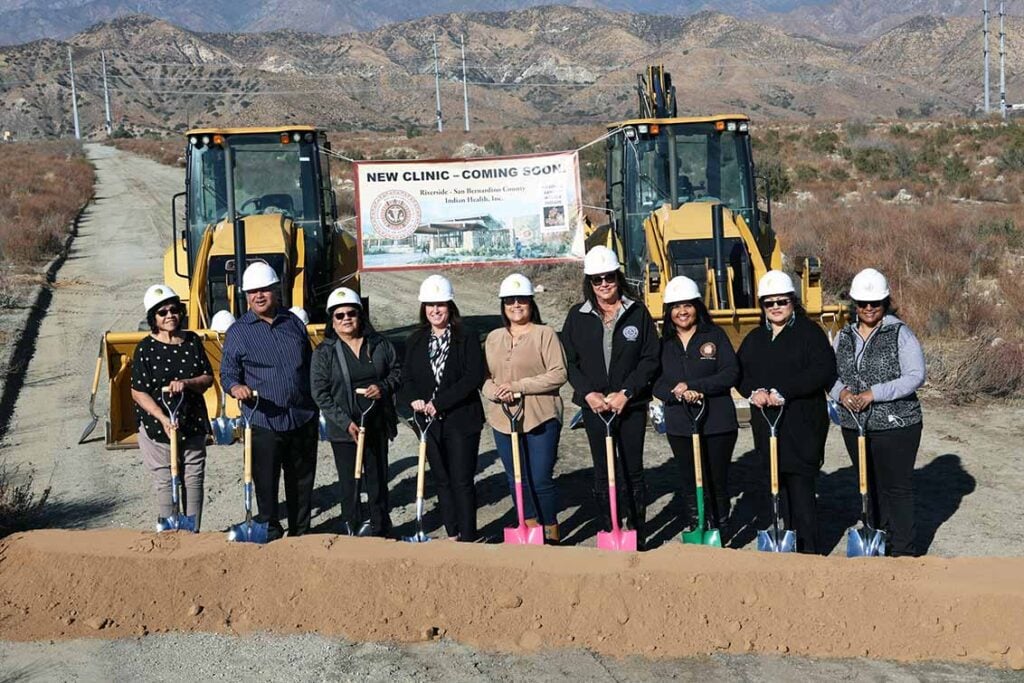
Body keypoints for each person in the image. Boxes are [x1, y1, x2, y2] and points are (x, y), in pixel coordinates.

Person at [561, 246, 660, 548]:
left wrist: (627, 393)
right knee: (604, 471)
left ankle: (637, 532)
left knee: (633, 469)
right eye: (596, 279)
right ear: (588, 282)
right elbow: (569, 361)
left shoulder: (638, 312)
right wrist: (587, 393)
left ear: (618, 277)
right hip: (595, 407)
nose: (603, 284)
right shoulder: (577, 317)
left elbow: (650, 359)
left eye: (608, 278)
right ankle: (609, 527)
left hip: (630, 406)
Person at [736, 270, 837, 554]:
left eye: (782, 301)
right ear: (762, 306)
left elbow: (823, 371)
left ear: (793, 301)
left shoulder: (809, 333)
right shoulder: (755, 339)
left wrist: (784, 391)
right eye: (769, 303)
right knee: (774, 487)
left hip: (802, 425)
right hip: (767, 427)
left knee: (801, 489)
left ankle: (809, 550)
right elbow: (739, 373)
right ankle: (785, 546)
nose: (776, 307)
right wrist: (752, 392)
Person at [830, 268, 925, 557]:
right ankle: (877, 540)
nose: (868, 309)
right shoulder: (843, 336)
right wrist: (842, 394)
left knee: (895, 488)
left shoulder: (900, 333)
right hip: (854, 423)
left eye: (875, 303)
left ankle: (903, 550)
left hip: (897, 424)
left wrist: (874, 393)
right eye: (862, 303)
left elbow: (915, 375)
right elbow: (829, 374)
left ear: (885, 302)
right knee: (866, 487)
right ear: (854, 305)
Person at [221, 261, 318, 541]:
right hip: (264, 419)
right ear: (245, 296)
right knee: (266, 481)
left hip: (300, 416)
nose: (258, 296)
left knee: (301, 481)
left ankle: (301, 533)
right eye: (252, 292)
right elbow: (227, 373)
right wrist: (236, 387)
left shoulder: (294, 323)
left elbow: (309, 364)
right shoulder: (239, 332)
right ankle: (269, 529)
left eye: (264, 290)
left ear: (276, 290)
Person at [482, 274, 568, 544]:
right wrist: (493, 391)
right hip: (503, 419)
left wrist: (519, 387)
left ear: (531, 302)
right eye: (510, 300)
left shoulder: (545, 334)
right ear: (503, 304)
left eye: (521, 300)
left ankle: (550, 530)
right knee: (516, 478)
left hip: (539, 416)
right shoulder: (494, 337)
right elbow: (483, 377)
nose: (516, 305)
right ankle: (528, 526)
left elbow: (558, 374)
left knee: (540, 477)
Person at [400, 274, 485, 542]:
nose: (435, 310)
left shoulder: (466, 337)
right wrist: (414, 398)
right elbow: (407, 377)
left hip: (462, 420)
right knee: (442, 480)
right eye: (430, 305)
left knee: (461, 480)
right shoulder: (415, 340)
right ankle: (452, 532)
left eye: (441, 305)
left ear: (450, 307)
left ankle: (469, 536)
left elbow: (473, 376)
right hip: (430, 424)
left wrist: (440, 402)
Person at [652, 276, 739, 537]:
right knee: (690, 480)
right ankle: (697, 525)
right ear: (669, 311)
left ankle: (721, 529)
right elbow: (654, 382)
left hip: (717, 422)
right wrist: (675, 393)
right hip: (680, 423)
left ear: (697, 307)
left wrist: (696, 387)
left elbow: (730, 372)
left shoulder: (714, 335)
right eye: (676, 306)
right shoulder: (664, 343)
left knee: (716, 480)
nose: (682, 312)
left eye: (687, 305)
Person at [311, 287, 401, 537]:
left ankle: (380, 527)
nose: (346, 319)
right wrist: (344, 421)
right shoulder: (324, 353)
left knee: (377, 480)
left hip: (377, 424)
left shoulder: (379, 344)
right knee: (351, 482)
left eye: (351, 313)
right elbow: (320, 392)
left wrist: (382, 387)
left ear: (360, 315)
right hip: (345, 430)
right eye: (339, 315)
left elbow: (397, 372)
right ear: (332, 320)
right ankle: (353, 526)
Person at [130, 284, 214, 529]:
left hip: (192, 422)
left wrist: (186, 383)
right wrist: (162, 418)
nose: (170, 316)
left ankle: (193, 532)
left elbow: (207, 377)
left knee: (193, 478)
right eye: (162, 312)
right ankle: (171, 534)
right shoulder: (145, 348)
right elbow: (138, 391)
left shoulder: (192, 341)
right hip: (158, 428)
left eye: (174, 310)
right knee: (165, 480)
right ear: (153, 318)